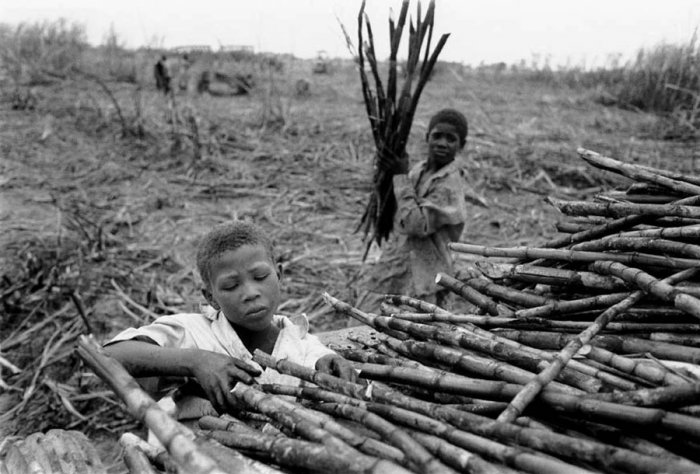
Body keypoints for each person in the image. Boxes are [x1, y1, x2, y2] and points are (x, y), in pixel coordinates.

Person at [104, 220, 355, 423]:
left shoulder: (300, 341)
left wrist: (331, 366)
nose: (250, 293)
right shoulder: (193, 332)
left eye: (260, 276)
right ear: (211, 297)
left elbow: (332, 373)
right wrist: (196, 362)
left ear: (279, 275)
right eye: (231, 286)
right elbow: (109, 356)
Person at [356, 108, 470, 311]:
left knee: (409, 332)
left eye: (451, 139)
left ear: (461, 145)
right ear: (427, 137)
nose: (442, 143)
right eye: (437, 136)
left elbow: (416, 225)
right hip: (399, 263)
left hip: (424, 275)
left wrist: (400, 176)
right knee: (364, 318)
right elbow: (397, 211)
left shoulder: (450, 185)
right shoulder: (419, 170)